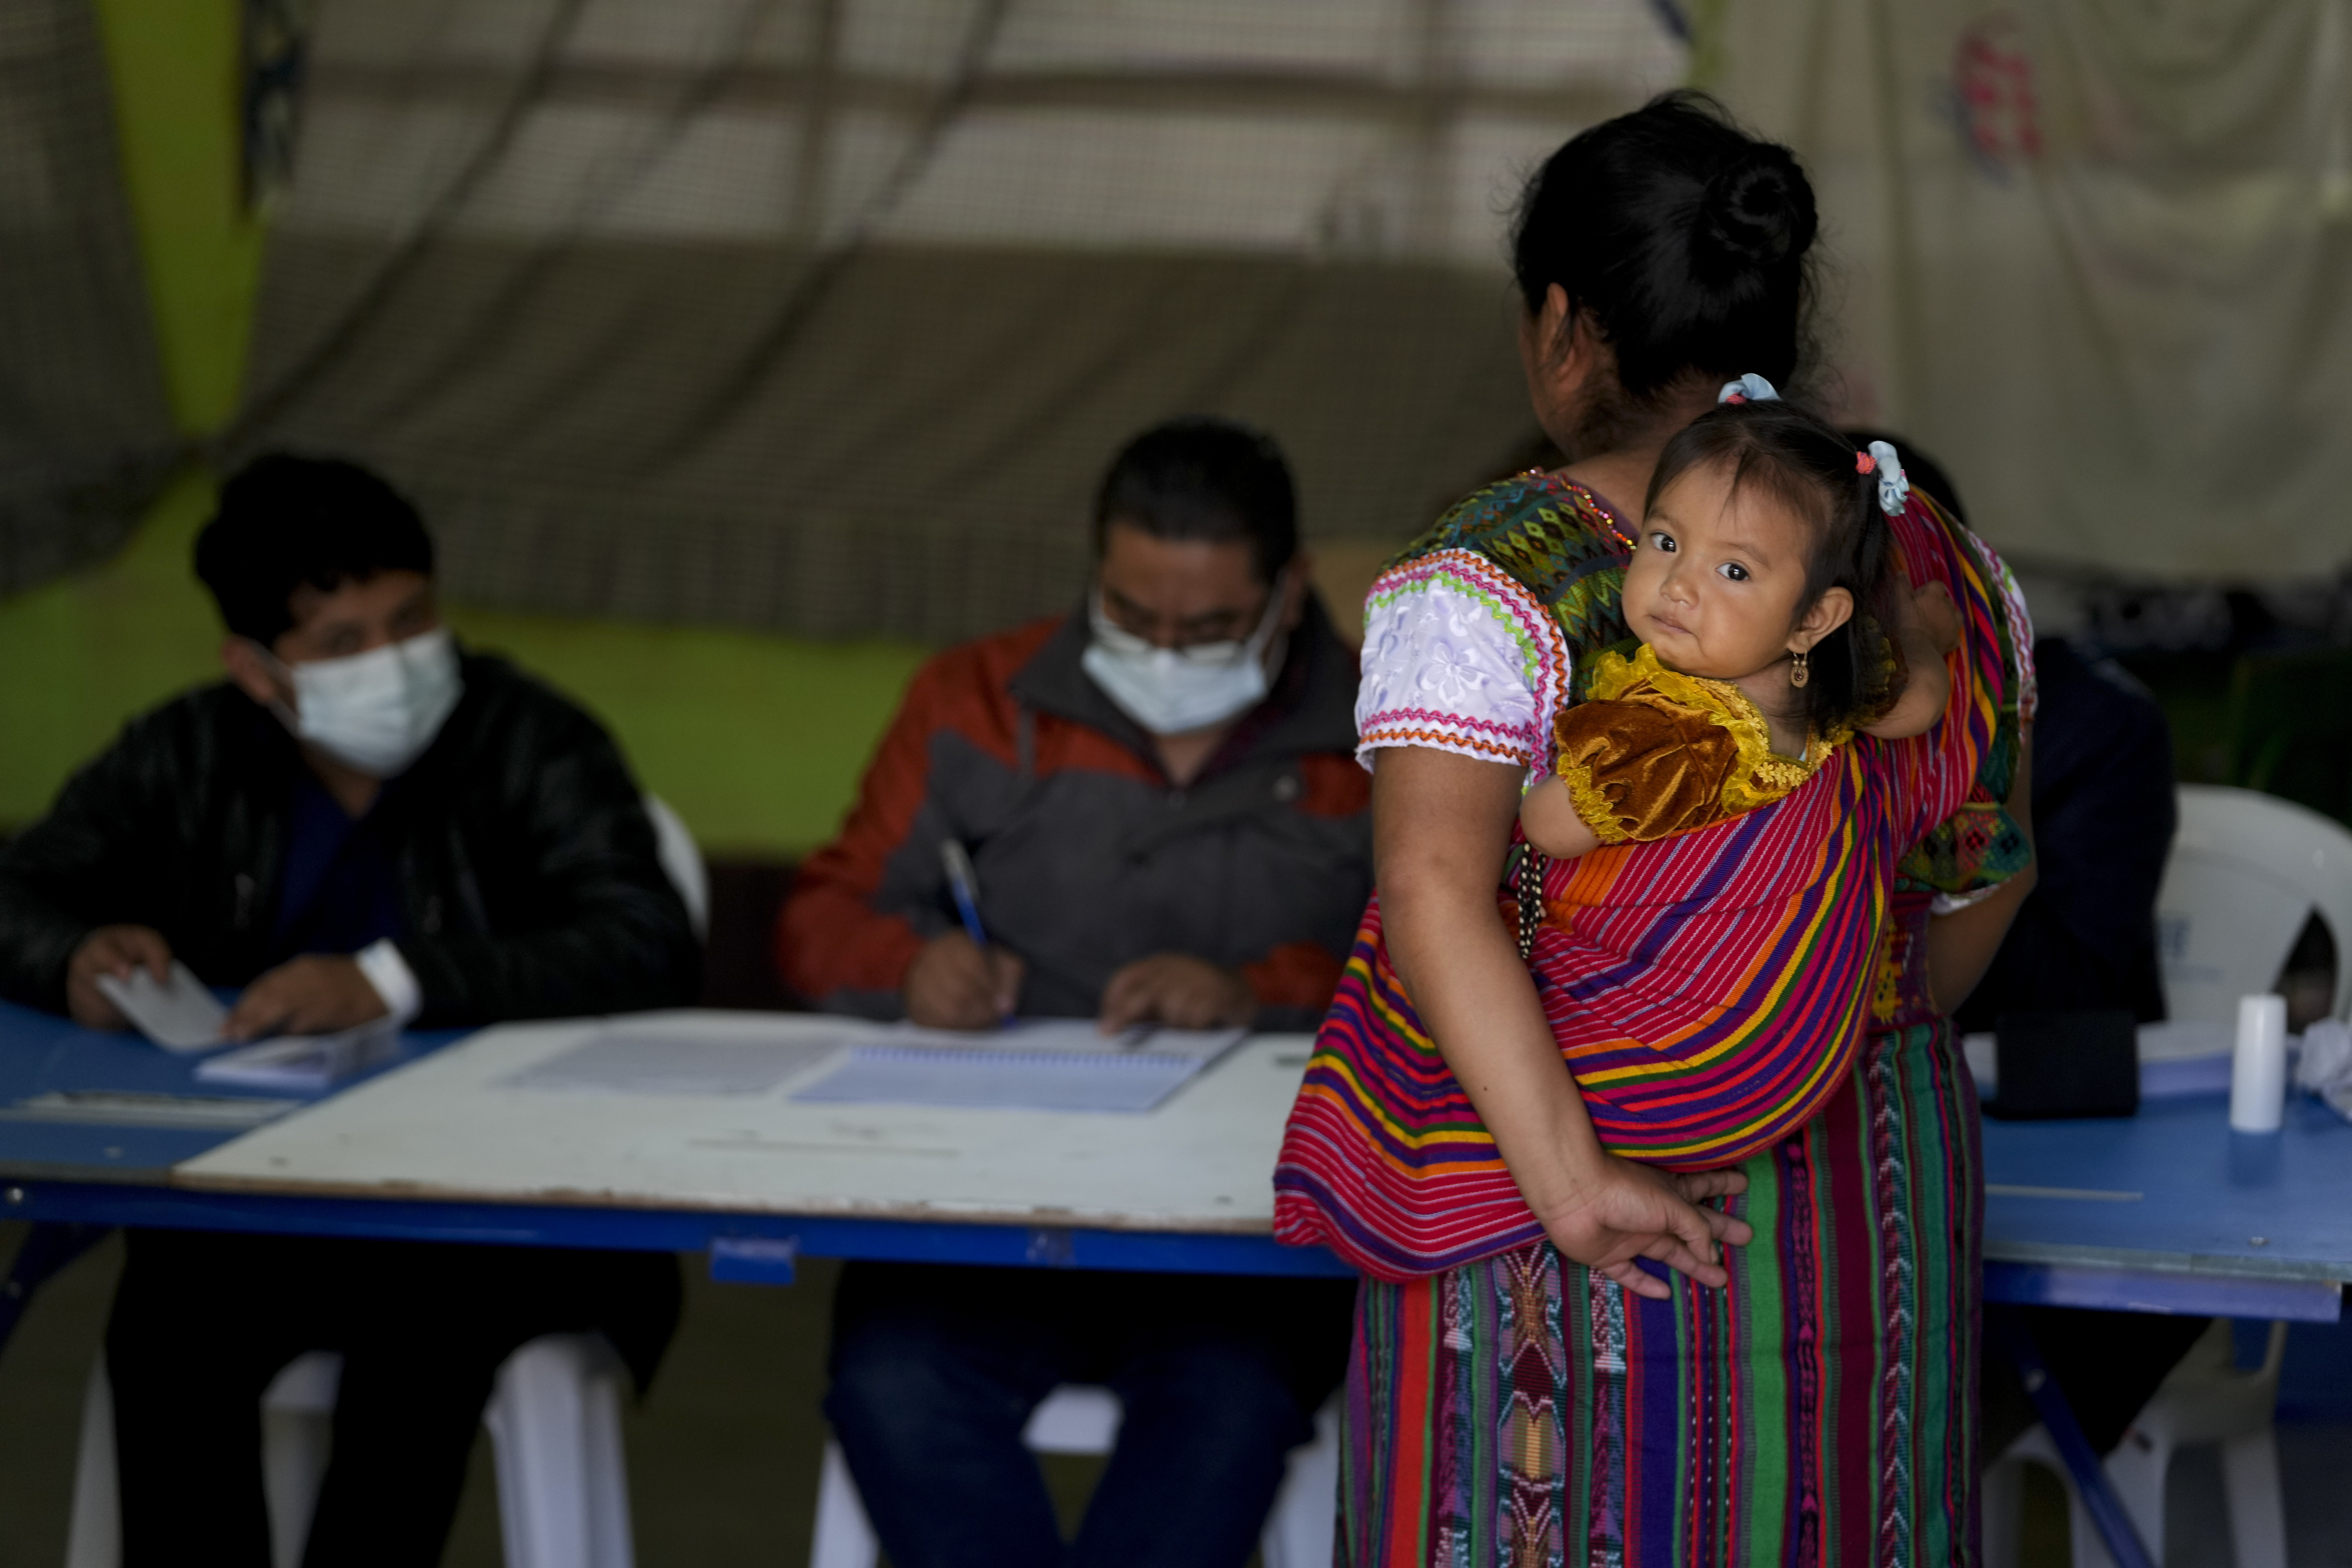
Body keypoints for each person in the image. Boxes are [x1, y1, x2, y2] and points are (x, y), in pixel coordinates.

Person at [1269, 93, 2035, 1565]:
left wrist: (1575, 1182)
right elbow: (1988, 871)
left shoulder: (1490, 579)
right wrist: (1811, 1014)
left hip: (1576, 1231)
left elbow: (1436, 892)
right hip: (1879, 1215)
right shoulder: (1931, 557)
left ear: (1564, 328)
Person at [0, 454, 698, 1568]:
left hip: (505, 1206)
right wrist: (70, 955)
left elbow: (648, 938)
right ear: (257, 670)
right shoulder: (188, 756)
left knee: (425, 1330)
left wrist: (397, 981)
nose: (393, 661)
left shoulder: (530, 740)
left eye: (411, 620)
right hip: (272, 1190)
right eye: (344, 642)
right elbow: (20, 891)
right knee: (169, 1317)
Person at [779, 418, 1369, 1568]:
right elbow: (819, 920)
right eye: (1131, 617)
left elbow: (1463, 965)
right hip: (987, 1216)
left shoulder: (1387, 733)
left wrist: (1258, 992)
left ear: (1289, 592)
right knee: (892, 1385)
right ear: (1095, 573)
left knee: (1229, 1410)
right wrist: (910, 966)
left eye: (1207, 629)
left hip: (1245, 1239)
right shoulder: (976, 701)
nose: (1163, 652)